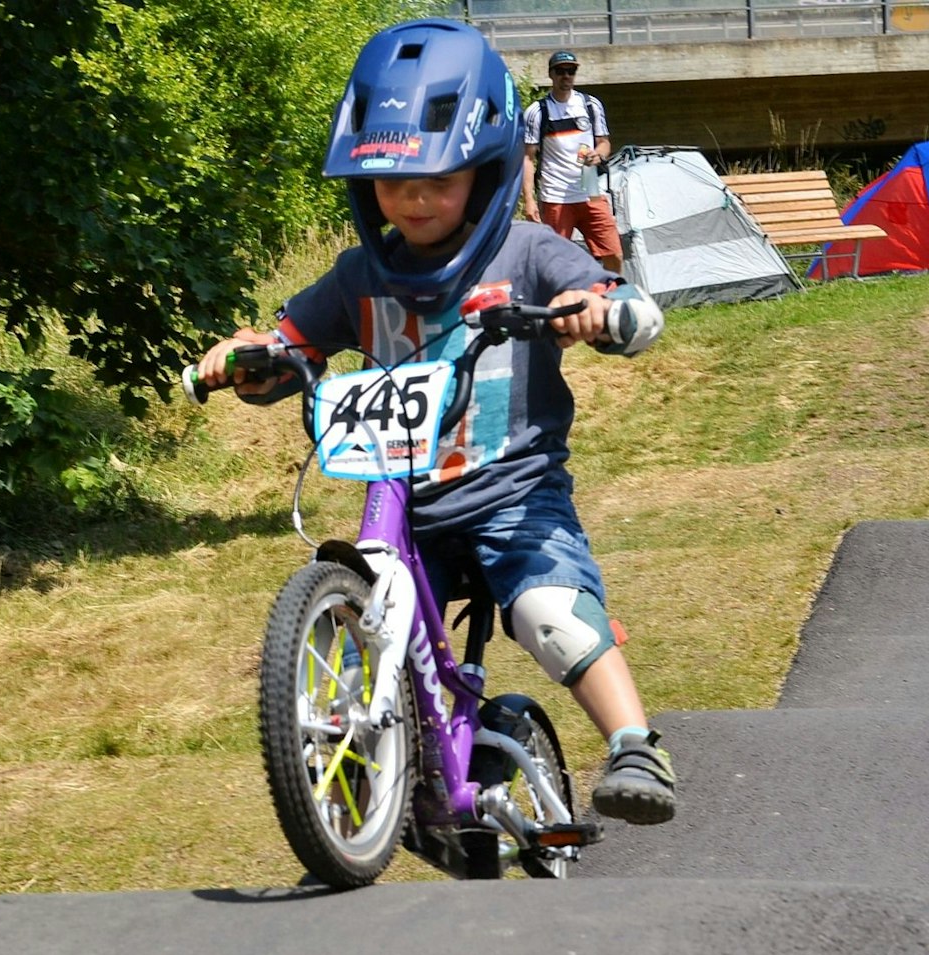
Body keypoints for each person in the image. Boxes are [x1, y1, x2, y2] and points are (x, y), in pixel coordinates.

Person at [195, 20, 676, 824]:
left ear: (486, 175)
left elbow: (623, 303)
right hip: (401, 508)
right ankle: (365, 769)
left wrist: (598, 310)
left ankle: (634, 742)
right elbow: (289, 343)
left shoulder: (527, 253)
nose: (413, 200)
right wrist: (248, 355)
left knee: (549, 614)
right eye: (392, 184)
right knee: (359, 628)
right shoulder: (360, 274)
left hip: (510, 495)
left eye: (437, 179)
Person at [521, 50, 622, 273]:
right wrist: (529, 200)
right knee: (555, 263)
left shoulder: (591, 105)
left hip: (591, 192)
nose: (566, 76)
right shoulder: (537, 112)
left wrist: (599, 154)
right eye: (560, 71)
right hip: (555, 197)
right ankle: (561, 306)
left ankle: (614, 299)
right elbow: (528, 159)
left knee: (613, 253)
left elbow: (604, 143)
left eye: (571, 71)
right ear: (551, 74)